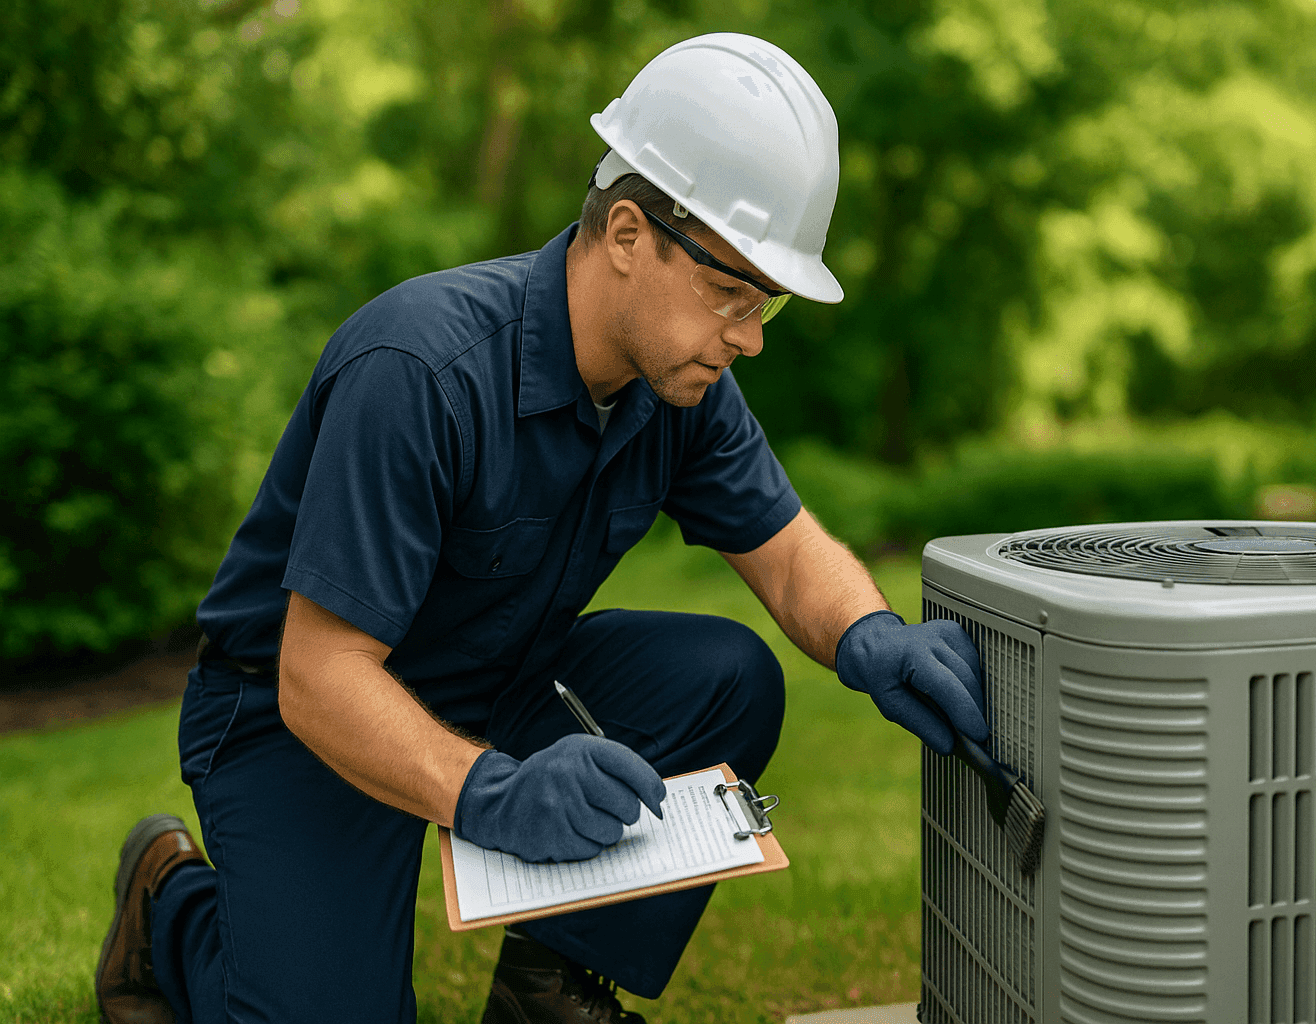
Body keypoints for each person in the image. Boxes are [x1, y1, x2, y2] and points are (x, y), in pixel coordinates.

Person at [94, 32, 989, 1024]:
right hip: (294, 717)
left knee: (727, 675)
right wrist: (487, 792)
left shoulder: (684, 388)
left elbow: (785, 553)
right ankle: (168, 899)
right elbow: (320, 671)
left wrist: (869, 633)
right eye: (730, 291)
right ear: (624, 235)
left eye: (765, 302)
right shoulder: (420, 372)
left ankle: (547, 988)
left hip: (494, 684)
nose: (749, 336)